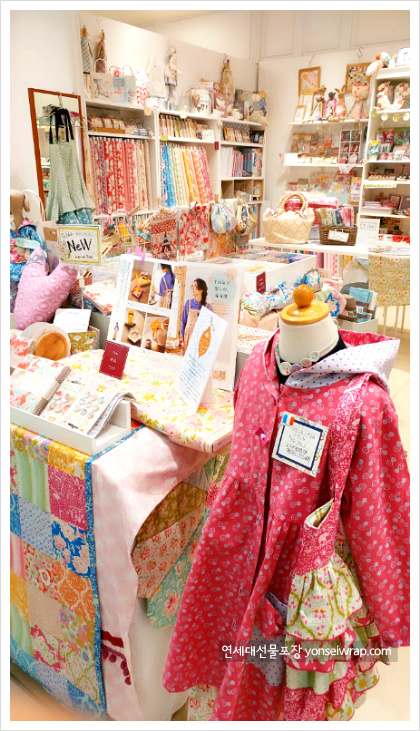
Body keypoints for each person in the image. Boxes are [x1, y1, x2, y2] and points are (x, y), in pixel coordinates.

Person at [163, 285, 410, 721]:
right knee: (219, 668)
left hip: (292, 584)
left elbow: (381, 516)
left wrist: (391, 616)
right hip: (228, 558)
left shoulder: (363, 404)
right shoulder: (256, 365)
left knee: (266, 686)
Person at [180, 278, 212, 354]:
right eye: (192, 286)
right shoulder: (188, 303)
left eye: (195, 286)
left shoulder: (208, 307)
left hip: (199, 340)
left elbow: (210, 327)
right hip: (187, 339)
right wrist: (181, 337)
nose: (192, 288)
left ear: (201, 290)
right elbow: (183, 321)